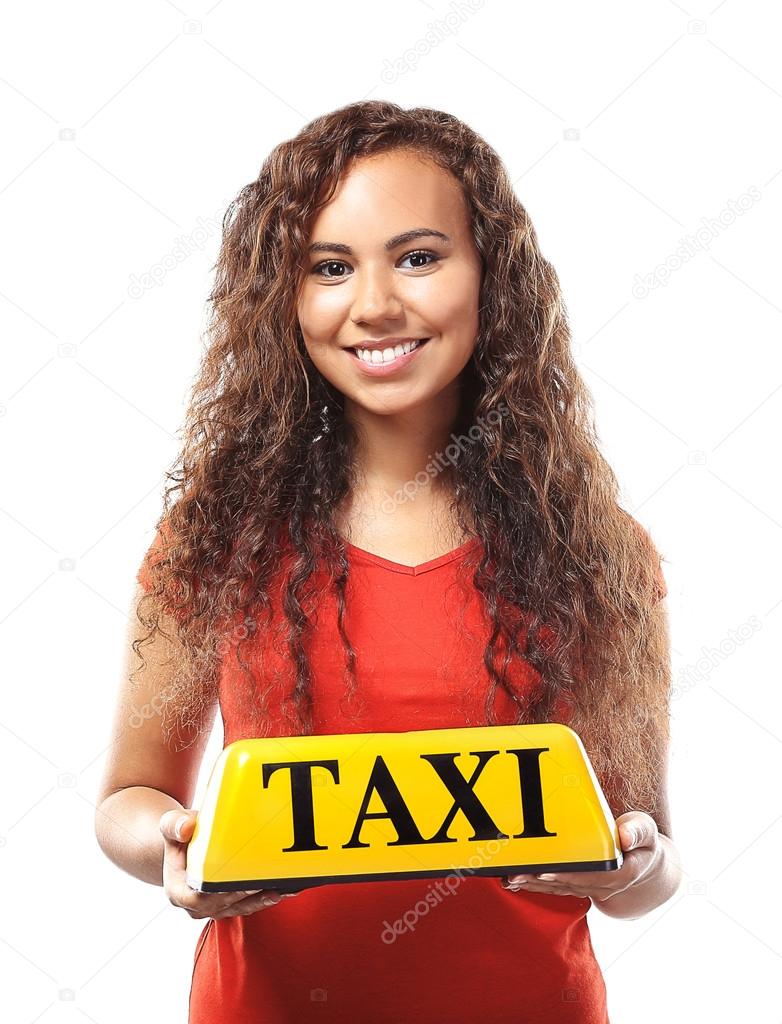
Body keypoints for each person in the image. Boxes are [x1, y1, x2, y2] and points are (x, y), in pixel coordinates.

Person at [94, 100, 682, 1023]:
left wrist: (636, 859)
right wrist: (174, 846)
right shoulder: (212, 544)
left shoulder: (596, 552)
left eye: (418, 257)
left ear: (492, 276)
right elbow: (129, 799)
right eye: (330, 268)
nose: (374, 304)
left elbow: (645, 859)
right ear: (283, 299)